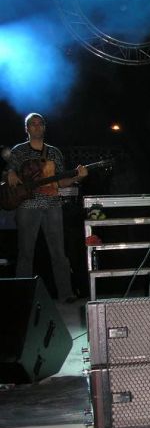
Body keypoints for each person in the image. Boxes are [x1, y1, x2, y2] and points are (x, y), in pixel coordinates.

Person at [5, 113, 88, 303]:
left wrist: (78, 177)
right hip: (27, 205)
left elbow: (61, 181)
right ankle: (21, 297)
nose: (36, 126)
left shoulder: (54, 152)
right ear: (26, 128)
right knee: (26, 253)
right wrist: (10, 173)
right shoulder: (19, 151)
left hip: (52, 205)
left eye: (40, 123)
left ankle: (66, 293)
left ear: (44, 127)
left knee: (59, 252)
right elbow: (8, 172)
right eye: (32, 124)